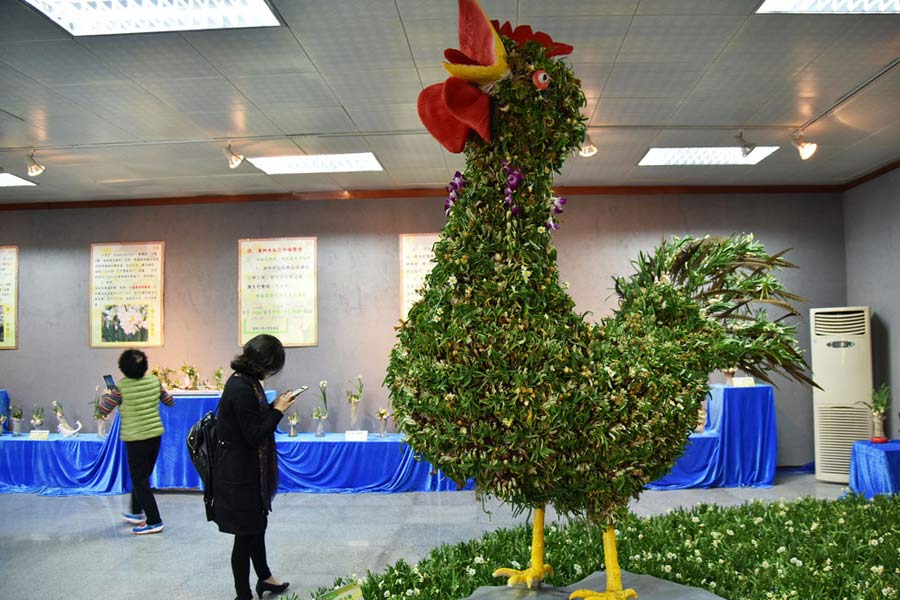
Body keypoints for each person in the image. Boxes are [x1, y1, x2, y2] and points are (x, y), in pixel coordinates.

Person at [213, 334, 297, 600]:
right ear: (263, 363)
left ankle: (265, 578)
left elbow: (253, 419)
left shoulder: (248, 382)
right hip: (239, 476)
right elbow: (253, 434)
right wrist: (278, 411)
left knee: (256, 527)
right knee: (245, 536)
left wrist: (274, 405)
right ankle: (243, 595)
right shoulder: (240, 388)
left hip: (248, 471)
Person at [99, 349, 174, 535]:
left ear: (123, 369)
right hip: (154, 437)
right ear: (145, 366)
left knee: (139, 480)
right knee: (142, 477)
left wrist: (107, 394)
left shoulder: (121, 388)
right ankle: (135, 512)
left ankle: (155, 521)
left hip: (135, 439)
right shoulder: (154, 382)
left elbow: (103, 410)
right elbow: (169, 401)